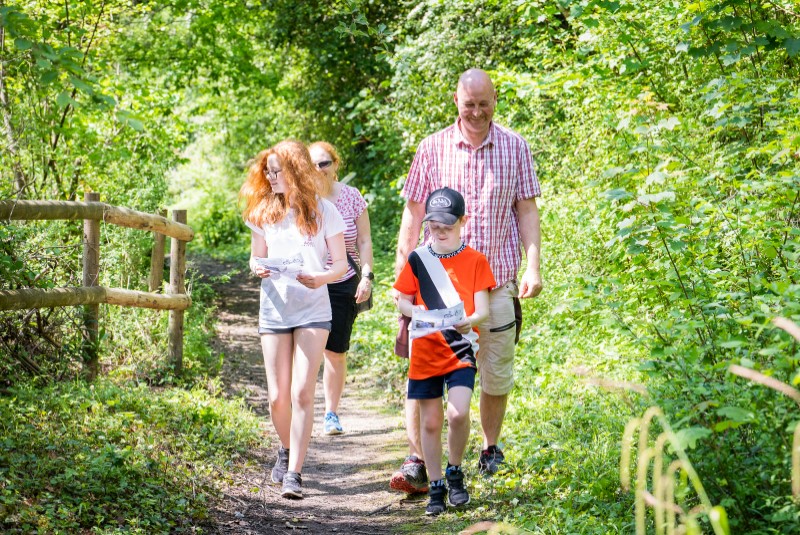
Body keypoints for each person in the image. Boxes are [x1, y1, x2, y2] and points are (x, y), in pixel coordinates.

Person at [390, 68, 543, 493]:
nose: (476, 112)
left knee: (495, 371)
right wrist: (404, 267)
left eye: (484, 103)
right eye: (469, 103)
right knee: (426, 375)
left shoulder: (515, 147)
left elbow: (527, 211)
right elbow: (414, 213)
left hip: (494, 285)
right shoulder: (432, 147)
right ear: (456, 101)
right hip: (436, 288)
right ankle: (419, 459)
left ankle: (490, 449)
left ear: (495, 100)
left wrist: (533, 266)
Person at [239, 140, 347, 499]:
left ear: (297, 170)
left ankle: (294, 474)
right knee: (276, 397)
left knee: (302, 391)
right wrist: (258, 267)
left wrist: (321, 278)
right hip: (274, 308)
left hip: (314, 308)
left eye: (277, 171)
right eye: (267, 171)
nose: (270, 177)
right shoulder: (261, 213)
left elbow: (342, 266)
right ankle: (285, 450)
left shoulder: (325, 212)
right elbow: (257, 257)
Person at [394, 187, 495, 515]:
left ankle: (455, 471)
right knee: (432, 421)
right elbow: (402, 300)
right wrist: (418, 314)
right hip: (425, 348)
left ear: (463, 221)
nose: (438, 233)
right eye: (433, 227)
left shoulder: (477, 260)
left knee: (458, 412)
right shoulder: (418, 259)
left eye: (446, 228)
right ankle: (436, 484)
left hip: (461, 346)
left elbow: (482, 310)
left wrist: (469, 321)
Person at [307, 141, 374, 435]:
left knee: (335, 351)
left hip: (343, 280)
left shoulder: (352, 198)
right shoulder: (301, 199)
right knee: (307, 350)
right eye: (313, 164)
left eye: (324, 163)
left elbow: (364, 240)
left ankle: (331, 413)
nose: (319, 169)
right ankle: (303, 408)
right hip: (307, 282)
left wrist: (367, 276)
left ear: (336, 165)